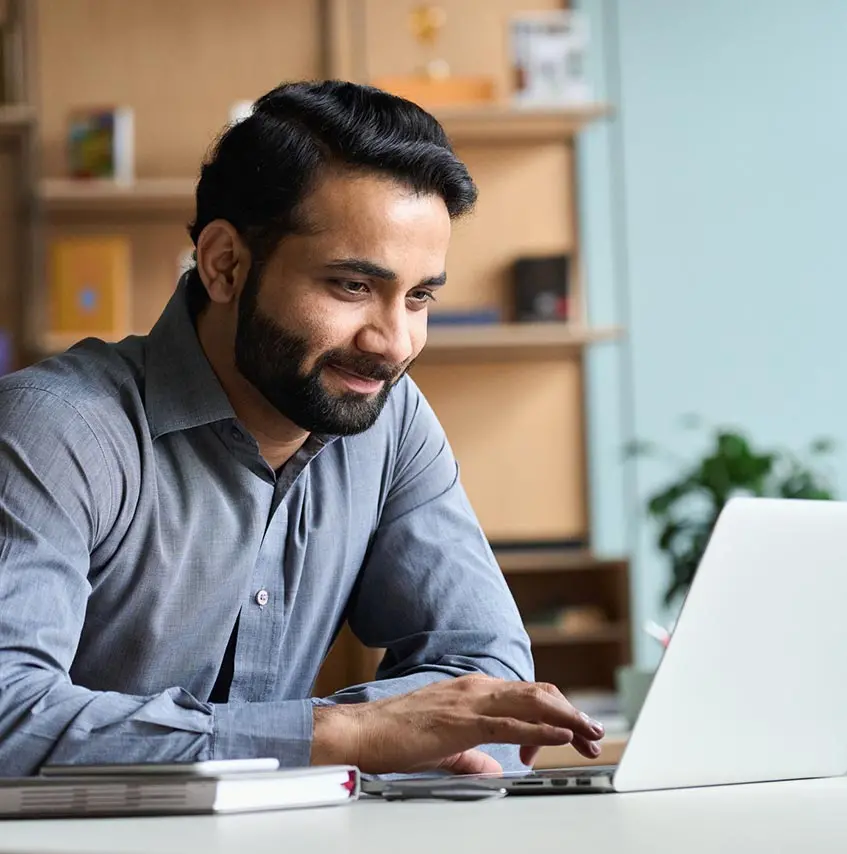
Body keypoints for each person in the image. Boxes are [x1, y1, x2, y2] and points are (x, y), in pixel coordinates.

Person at [0, 80, 604, 777]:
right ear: (225, 264)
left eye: (419, 297)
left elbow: (486, 673)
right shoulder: (55, 430)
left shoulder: (390, 422)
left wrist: (385, 737)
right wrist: (340, 737)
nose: (394, 341)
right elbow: (11, 718)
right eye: (351, 286)